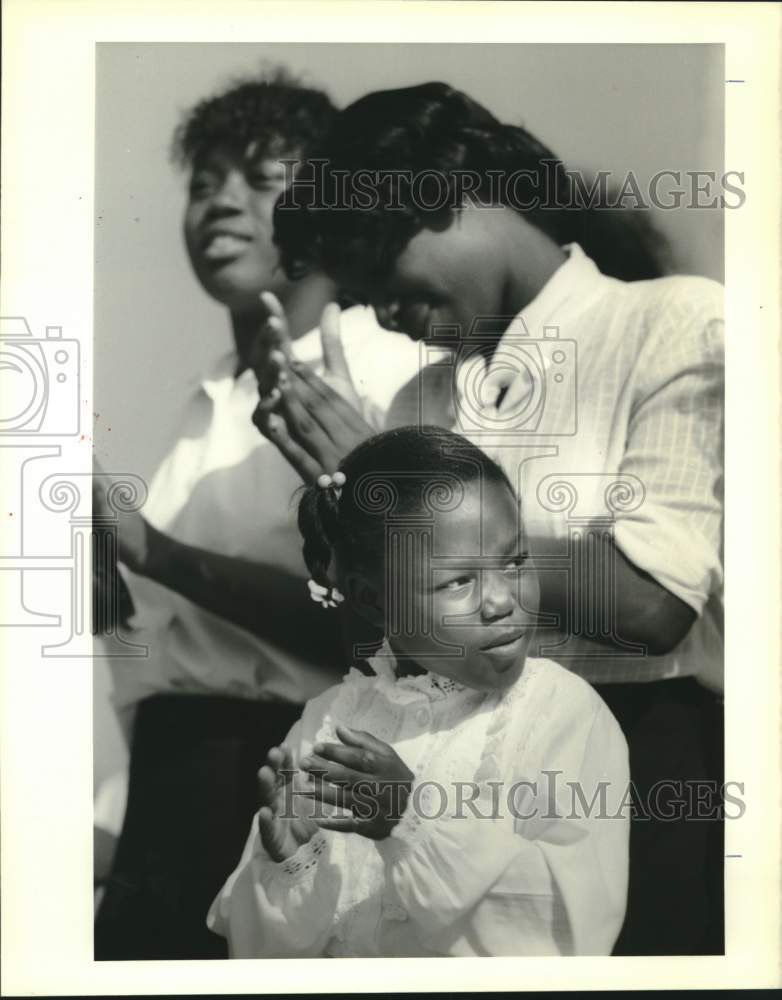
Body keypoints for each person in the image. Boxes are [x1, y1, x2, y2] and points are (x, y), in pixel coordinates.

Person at [253, 82, 725, 955]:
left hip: (633, 775)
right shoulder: (420, 396)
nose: (383, 315)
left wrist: (407, 515)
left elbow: (653, 603)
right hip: (426, 783)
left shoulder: (671, 323)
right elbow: (379, 648)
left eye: (380, 275)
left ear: (449, 190)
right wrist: (347, 541)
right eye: (357, 295)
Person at [92, 71, 421, 960]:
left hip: (292, 779)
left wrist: (151, 551)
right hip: (172, 784)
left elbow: (381, 624)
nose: (222, 205)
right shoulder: (205, 399)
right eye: (203, 183)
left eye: (261, 179)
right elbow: (165, 652)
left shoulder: (381, 371)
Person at [207, 426, 630, 957]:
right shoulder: (328, 722)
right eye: (458, 581)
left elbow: (568, 930)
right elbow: (263, 959)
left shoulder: (559, 714)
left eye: (515, 562)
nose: (501, 600)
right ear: (373, 600)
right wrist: (293, 864)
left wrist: (412, 822)